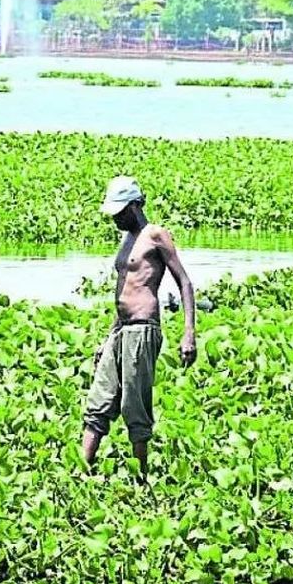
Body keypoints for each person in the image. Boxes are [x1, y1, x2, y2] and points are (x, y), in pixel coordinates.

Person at [81, 176, 195, 475]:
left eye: (120, 212)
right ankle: (81, 471)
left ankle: (140, 477)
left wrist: (188, 334)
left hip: (143, 329)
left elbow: (184, 282)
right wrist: (108, 338)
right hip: (121, 330)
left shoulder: (156, 235)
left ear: (135, 206)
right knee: (98, 402)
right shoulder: (126, 239)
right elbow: (123, 292)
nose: (116, 219)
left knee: (134, 407)